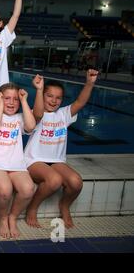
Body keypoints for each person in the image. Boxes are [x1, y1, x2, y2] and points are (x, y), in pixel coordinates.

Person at [25, 70, 99, 229]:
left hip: (56, 161)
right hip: (34, 160)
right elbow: (38, 114)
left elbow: (80, 102)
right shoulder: (34, 113)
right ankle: (32, 207)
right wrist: (38, 89)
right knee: (54, 181)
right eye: (49, 96)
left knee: (76, 182)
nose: (54, 101)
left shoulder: (64, 114)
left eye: (58, 98)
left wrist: (90, 83)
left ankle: (64, 206)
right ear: (43, 96)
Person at [0, 83, 36, 238]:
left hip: (16, 165)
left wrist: (25, 100)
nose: (12, 102)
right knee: (5, 190)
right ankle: (3, 218)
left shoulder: (21, 118)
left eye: (15, 99)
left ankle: (12, 217)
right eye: (7, 98)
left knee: (28, 189)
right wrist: (0, 106)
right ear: (0, 99)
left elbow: (31, 126)